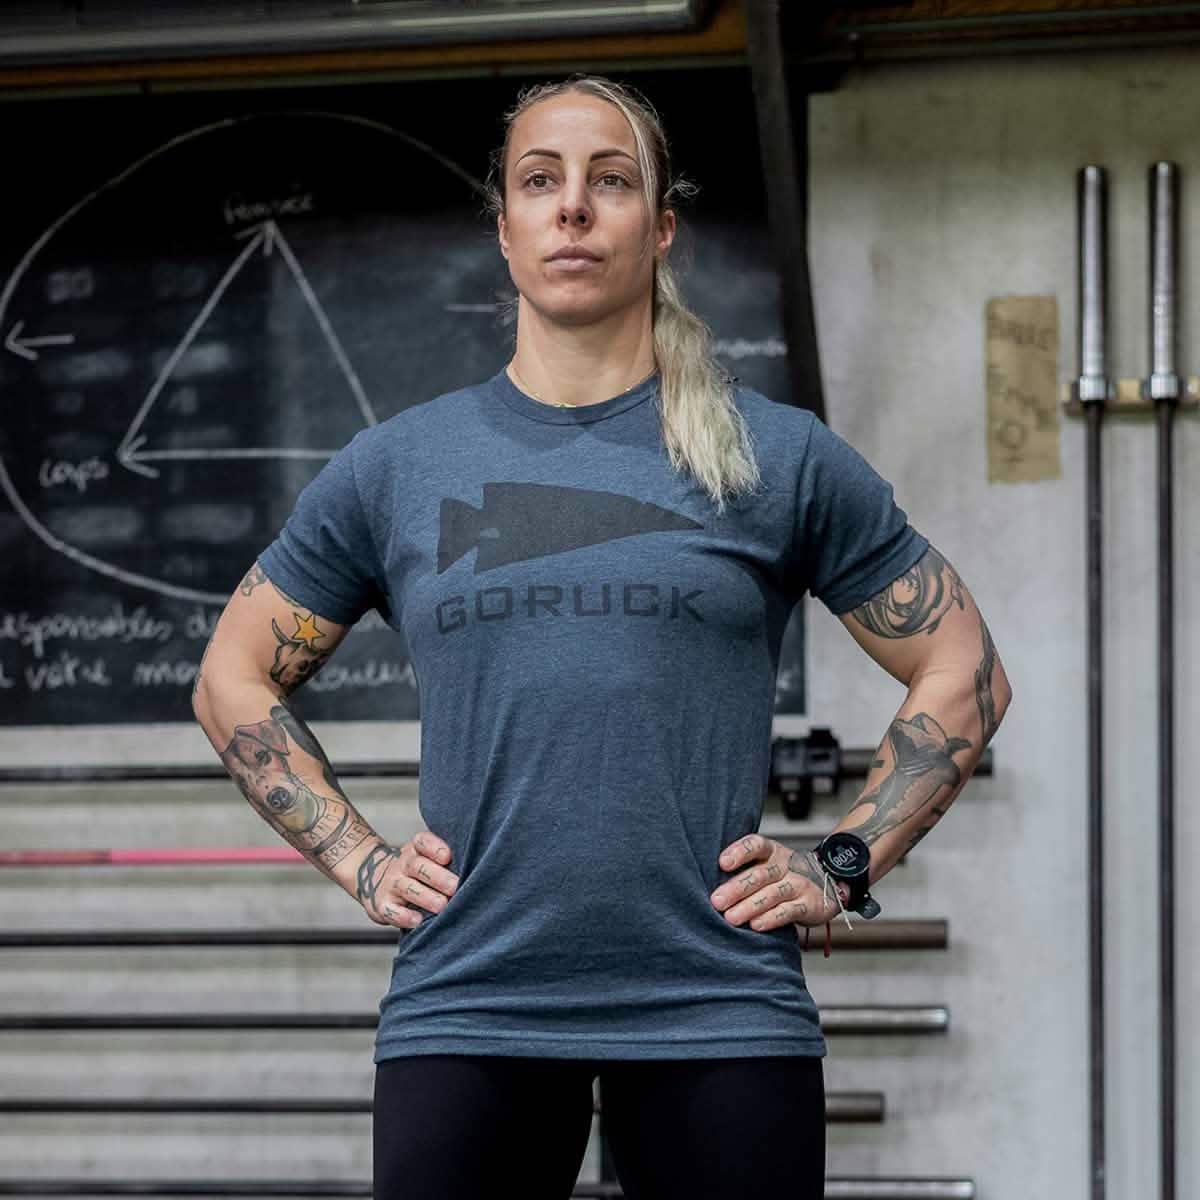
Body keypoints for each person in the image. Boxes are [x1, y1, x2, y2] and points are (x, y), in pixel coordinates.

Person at [192, 73, 1011, 1200]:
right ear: (506, 224)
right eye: (541, 180)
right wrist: (358, 857)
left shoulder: (775, 458)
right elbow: (232, 677)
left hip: (719, 1008)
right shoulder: (396, 468)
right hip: (470, 1000)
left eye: (610, 180)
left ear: (660, 225)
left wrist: (839, 864)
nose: (572, 207)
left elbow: (963, 665)